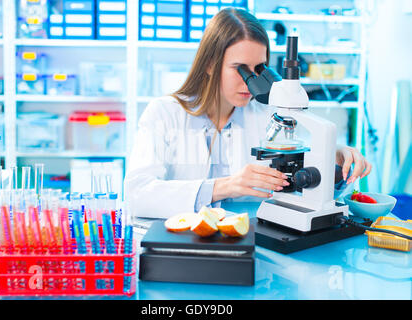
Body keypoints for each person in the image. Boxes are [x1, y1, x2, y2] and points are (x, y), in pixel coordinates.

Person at [124, 8, 371, 219]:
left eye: (258, 69)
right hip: (182, 240)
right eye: (240, 69)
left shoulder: (267, 116)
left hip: (250, 238)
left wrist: (333, 160)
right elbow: (136, 195)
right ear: (210, 64)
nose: (250, 83)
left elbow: (303, 185)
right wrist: (226, 186)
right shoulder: (164, 113)